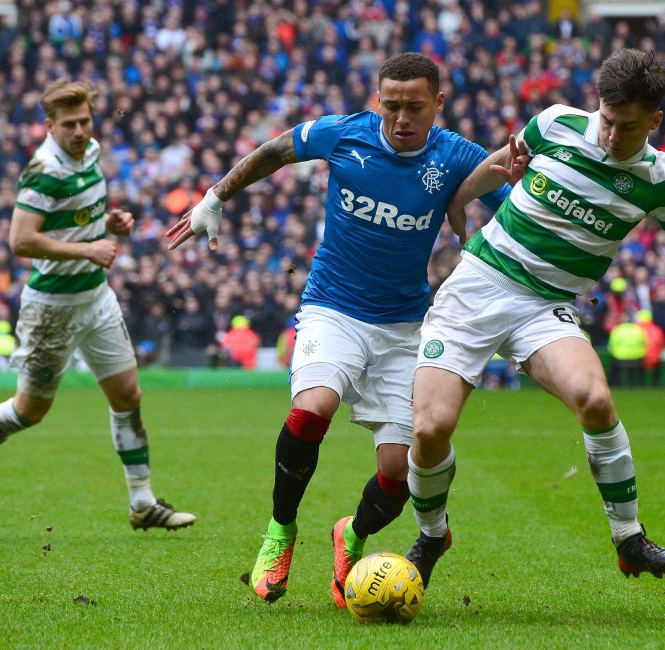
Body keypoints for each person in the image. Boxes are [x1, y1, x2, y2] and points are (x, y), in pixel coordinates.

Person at [166, 52, 521, 606]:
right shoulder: (345, 134)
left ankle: (350, 534)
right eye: (391, 105)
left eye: (415, 107)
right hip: (333, 307)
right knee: (313, 408)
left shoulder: (459, 157)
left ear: (439, 105)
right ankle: (279, 533)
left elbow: (516, 212)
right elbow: (276, 150)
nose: (401, 118)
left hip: (405, 327)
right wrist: (216, 196)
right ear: (378, 100)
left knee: (400, 471)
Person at [402, 49, 665, 589]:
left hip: (546, 307)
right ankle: (431, 535)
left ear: (655, 121)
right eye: (608, 121)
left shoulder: (660, 180)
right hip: (478, 287)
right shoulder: (557, 124)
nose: (612, 136)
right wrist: (460, 200)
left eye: (628, 127)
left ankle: (630, 540)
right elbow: (500, 160)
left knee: (596, 400)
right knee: (430, 428)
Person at [0, 79, 195, 532]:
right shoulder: (43, 169)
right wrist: (89, 249)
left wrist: (111, 222)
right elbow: (20, 240)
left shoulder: (89, 151)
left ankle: (143, 503)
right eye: (69, 124)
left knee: (127, 395)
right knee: (30, 410)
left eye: (85, 121)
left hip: (95, 298)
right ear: (49, 126)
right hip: (52, 307)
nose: (80, 131)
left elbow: (77, 215)